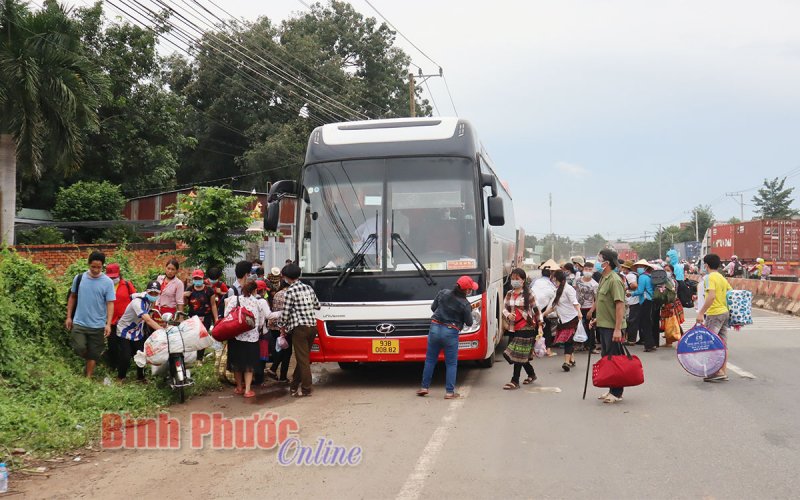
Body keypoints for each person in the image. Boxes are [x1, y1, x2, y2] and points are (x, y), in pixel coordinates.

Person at [417, 276, 476, 399]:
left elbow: (433, 308)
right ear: (466, 290)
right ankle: (449, 392)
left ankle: (424, 387)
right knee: (451, 363)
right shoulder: (465, 304)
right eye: (470, 289)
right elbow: (469, 323)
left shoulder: (443, 293)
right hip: (450, 332)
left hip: (434, 328)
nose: (471, 291)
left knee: (430, 360)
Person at [66, 252, 116, 378]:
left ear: (102, 267)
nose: (95, 270)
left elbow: (110, 303)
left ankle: (88, 377)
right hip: (79, 322)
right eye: (93, 266)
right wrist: (68, 317)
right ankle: (90, 358)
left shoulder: (107, 282)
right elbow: (72, 297)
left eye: (98, 267)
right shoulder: (79, 278)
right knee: (79, 347)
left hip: (98, 324)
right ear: (89, 264)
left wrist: (108, 324)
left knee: (94, 353)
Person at [588, 249, 628, 404]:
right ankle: (612, 389)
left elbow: (619, 305)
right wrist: (597, 319)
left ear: (607, 262)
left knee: (615, 359)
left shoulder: (615, 280)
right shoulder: (604, 279)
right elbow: (604, 304)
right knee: (607, 358)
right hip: (604, 325)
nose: (598, 261)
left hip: (613, 327)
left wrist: (618, 329)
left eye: (600, 259)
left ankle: (617, 392)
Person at [280, 263, 321, 397]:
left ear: (287, 277)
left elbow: (285, 314)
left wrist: (281, 326)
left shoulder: (290, 291)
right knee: (303, 358)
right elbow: (317, 305)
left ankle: (306, 388)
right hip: (312, 327)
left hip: (299, 329)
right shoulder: (308, 288)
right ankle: (293, 386)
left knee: (303, 359)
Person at [501, 269, 542, 389]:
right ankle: (531, 374)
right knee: (519, 354)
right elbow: (504, 308)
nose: (514, 281)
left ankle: (515, 381)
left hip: (527, 327)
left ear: (523, 280)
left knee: (518, 354)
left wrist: (540, 325)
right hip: (513, 327)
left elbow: (537, 310)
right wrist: (508, 315)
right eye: (513, 278)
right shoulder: (509, 293)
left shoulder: (529, 293)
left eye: (517, 278)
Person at [695, 254, 733, 382]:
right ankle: (723, 371)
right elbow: (730, 292)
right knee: (722, 344)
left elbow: (711, 296)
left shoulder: (710, 278)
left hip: (715, 313)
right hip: (724, 312)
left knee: (711, 344)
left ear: (706, 265)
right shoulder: (722, 277)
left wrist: (701, 312)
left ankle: (715, 372)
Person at [224, 280, 265, 398]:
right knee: (249, 365)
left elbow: (227, 315)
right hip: (252, 339)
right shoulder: (258, 303)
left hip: (236, 336)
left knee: (237, 363)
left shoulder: (235, 300)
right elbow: (261, 322)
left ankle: (239, 387)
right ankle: (247, 390)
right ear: (255, 290)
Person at [116, 281, 162, 382]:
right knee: (126, 356)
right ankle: (120, 378)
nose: (153, 295)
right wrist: (162, 331)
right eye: (151, 293)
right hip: (125, 330)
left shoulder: (149, 301)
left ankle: (141, 377)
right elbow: (148, 319)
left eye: (156, 293)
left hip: (137, 331)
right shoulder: (138, 302)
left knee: (142, 354)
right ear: (146, 291)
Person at [543, 270, 581, 372]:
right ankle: (572, 359)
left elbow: (575, 302)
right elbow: (553, 307)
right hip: (562, 320)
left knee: (568, 341)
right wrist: (542, 315)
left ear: (557, 278)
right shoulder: (557, 290)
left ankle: (566, 362)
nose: (553, 280)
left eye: (554, 277)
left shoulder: (569, 289)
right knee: (568, 340)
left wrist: (579, 313)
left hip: (572, 318)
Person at [106, 263, 136, 370]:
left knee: (125, 346)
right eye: (111, 277)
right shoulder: (105, 285)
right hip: (112, 321)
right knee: (112, 345)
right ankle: (113, 366)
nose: (113, 279)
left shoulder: (127, 285)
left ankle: (125, 367)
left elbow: (135, 299)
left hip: (126, 322)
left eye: (115, 277)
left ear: (119, 274)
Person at [184, 269, 218, 361]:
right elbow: (185, 303)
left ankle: (199, 358)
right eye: (195, 278)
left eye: (199, 278)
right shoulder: (189, 289)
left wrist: (216, 318)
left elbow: (213, 305)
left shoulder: (209, 290)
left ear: (203, 278)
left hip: (206, 317)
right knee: (194, 337)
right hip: (193, 318)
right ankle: (192, 357)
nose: (197, 280)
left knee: (202, 337)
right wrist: (184, 296)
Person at [266, 277, 291, 383]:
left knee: (280, 349)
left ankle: (275, 370)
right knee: (287, 351)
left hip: (274, 325)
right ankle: (281, 375)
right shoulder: (290, 294)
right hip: (285, 326)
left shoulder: (277, 293)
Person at [533, 259, 558, 357]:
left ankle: (533, 351)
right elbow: (553, 301)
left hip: (533, 307)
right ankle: (548, 350)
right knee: (547, 328)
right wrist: (545, 314)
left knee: (534, 328)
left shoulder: (535, 281)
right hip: (543, 309)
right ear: (551, 275)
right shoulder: (551, 286)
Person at [631, 259, 657, 352]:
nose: (638, 268)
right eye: (638, 267)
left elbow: (640, 291)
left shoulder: (642, 277)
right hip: (650, 300)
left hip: (645, 301)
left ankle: (648, 345)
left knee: (645, 324)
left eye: (640, 266)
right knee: (648, 323)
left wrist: (631, 293)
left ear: (645, 267)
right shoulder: (649, 276)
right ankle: (651, 343)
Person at [575, 261, 599, 351]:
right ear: (583, 269)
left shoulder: (595, 284)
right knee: (579, 326)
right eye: (586, 269)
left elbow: (597, 299)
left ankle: (591, 347)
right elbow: (574, 293)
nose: (588, 271)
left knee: (590, 328)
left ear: (593, 271)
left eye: (590, 269)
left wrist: (591, 311)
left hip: (589, 308)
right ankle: (580, 345)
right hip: (578, 308)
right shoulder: (577, 280)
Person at [660, 263, 686, 348]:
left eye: (668, 270)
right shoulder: (664, 281)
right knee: (668, 324)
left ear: (672, 272)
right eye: (664, 270)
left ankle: (682, 341)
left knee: (675, 324)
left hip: (672, 304)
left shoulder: (672, 281)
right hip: (666, 304)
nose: (666, 272)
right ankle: (668, 342)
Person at [619, 261, 640, 346]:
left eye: (623, 267)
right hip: (633, 300)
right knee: (631, 321)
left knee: (631, 321)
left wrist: (625, 288)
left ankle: (631, 340)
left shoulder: (630, 275)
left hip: (632, 301)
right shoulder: (634, 275)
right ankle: (631, 339)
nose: (622, 269)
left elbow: (634, 285)